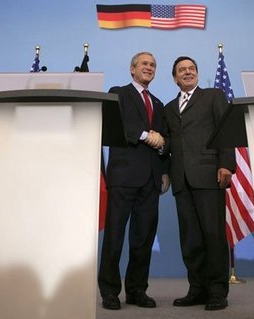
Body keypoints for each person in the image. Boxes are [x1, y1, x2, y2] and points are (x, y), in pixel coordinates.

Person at [98, 51, 170, 310]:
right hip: (124, 178)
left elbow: (165, 139)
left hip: (150, 180)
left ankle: (137, 290)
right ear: (132, 69)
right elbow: (119, 123)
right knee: (115, 237)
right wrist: (145, 135)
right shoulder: (119, 92)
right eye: (144, 64)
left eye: (153, 64)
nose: (149, 68)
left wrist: (164, 162)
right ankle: (109, 291)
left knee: (143, 239)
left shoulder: (159, 104)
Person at [162, 56, 235, 311]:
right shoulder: (169, 108)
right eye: (182, 70)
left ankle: (217, 290)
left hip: (209, 175)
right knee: (190, 238)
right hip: (181, 179)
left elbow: (225, 129)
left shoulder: (214, 96)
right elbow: (169, 143)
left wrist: (226, 163)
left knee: (213, 234)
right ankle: (197, 288)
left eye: (192, 68)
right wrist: (164, 170)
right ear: (175, 77)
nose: (188, 72)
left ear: (197, 73)